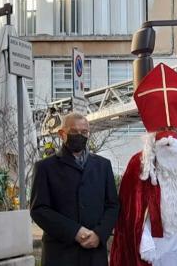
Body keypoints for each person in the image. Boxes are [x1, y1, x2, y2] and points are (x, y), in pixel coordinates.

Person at [109, 63, 177, 266]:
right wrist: (142, 238)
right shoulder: (139, 163)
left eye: (171, 129)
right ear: (152, 137)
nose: (167, 137)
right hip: (153, 242)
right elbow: (131, 209)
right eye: (162, 129)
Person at [30, 112, 119, 266]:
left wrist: (99, 234)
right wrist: (75, 232)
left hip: (94, 254)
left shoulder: (103, 166)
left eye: (84, 132)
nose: (79, 135)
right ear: (62, 134)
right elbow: (39, 209)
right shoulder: (45, 167)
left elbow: (112, 205)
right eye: (74, 132)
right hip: (60, 255)